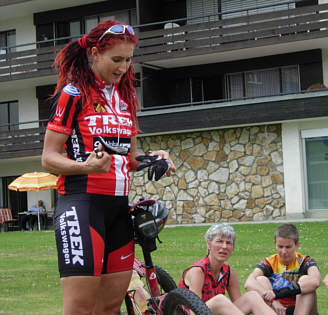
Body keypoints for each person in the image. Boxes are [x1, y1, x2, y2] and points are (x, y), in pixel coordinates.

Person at [41, 19, 176, 315]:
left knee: (109, 307)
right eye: (116, 59)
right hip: (81, 207)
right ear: (94, 54)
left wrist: (157, 157)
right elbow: (49, 158)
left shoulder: (126, 99)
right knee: (79, 307)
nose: (123, 67)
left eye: (128, 60)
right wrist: (85, 166)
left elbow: (129, 160)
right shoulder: (73, 93)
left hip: (118, 210)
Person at [178, 223, 277, 315]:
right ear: (208, 244)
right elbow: (194, 311)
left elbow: (238, 309)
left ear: (233, 247)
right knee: (219, 300)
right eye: (219, 241)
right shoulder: (198, 271)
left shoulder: (230, 273)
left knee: (252, 296)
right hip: (195, 313)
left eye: (229, 243)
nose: (224, 247)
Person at [244, 223, 321, 315]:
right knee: (260, 280)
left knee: (306, 280)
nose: (284, 252)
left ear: (297, 245)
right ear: (275, 244)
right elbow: (249, 283)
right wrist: (273, 300)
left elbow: (316, 281)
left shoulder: (305, 261)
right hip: (277, 309)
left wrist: (278, 293)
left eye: (288, 247)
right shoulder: (270, 262)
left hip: (301, 309)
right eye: (280, 247)